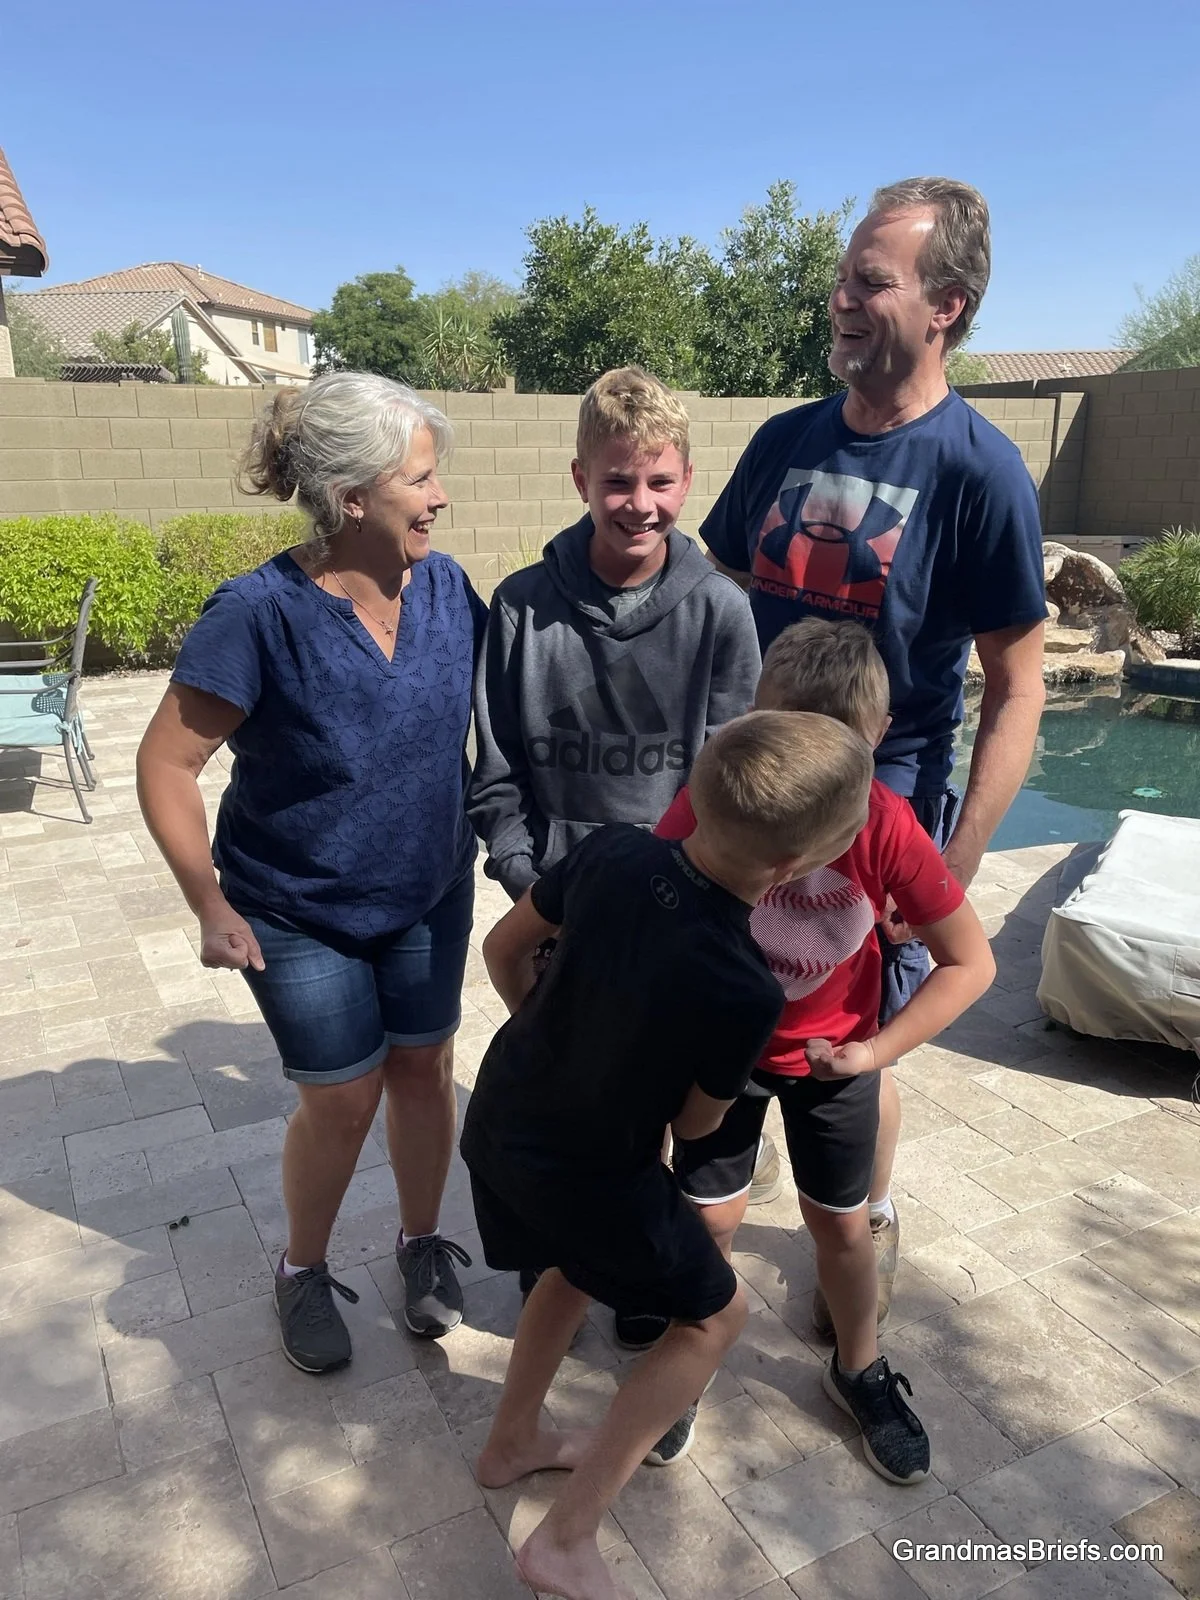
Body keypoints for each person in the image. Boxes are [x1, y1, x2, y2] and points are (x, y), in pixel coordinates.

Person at [700, 176, 1046, 1333]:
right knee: (731, 996)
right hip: (754, 792)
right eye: (842, 276)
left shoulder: (979, 471)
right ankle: (716, 1176)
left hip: (877, 808)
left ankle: (866, 1215)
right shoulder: (785, 440)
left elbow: (1018, 685)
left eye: (870, 280)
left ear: (946, 306)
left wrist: (957, 858)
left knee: (852, 1041)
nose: (840, 298)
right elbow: (717, 595)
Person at [461, 711, 875, 1600]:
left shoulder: (611, 851)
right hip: (590, 1169)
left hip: (501, 1117)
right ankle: (566, 1539)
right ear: (791, 867)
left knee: (570, 1269)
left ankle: (511, 1444)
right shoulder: (745, 984)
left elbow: (503, 950)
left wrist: (559, 1045)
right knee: (716, 1318)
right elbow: (693, 1129)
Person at [137, 373, 486, 1375]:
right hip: (296, 908)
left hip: (427, 891)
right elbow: (166, 763)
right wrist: (208, 902)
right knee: (342, 1097)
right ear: (351, 499)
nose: (440, 496)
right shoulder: (258, 614)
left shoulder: (448, 590)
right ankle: (303, 1267)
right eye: (420, 479)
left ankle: (422, 1243)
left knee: (422, 1069)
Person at [467, 366, 769, 1346]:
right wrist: (530, 879)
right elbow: (497, 771)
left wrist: (673, 900)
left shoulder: (719, 611)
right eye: (617, 481)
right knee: (560, 1079)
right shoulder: (521, 607)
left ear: (687, 480)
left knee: (648, 1101)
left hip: (675, 915)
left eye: (660, 481)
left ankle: (637, 1265)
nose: (639, 503)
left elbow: (729, 783)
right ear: (580, 479)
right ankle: (553, 1257)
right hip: (552, 905)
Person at [658, 619, 996, 1482]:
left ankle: (858, 1366)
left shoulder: (885, 826)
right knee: (708, 1218)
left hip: (834, 1058)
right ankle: (687, 1353)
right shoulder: (714, 798)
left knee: (842, 1229)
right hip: (722, 1057)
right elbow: (653, 902)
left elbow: (970, 962)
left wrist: (875, 1052)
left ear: (877, 737)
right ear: (753, 721)